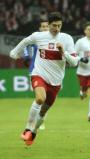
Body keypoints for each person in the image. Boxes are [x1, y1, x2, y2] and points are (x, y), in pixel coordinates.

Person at [10, 12, 80, 146]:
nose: (57, 28)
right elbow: (25, 41)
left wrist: (63, 52)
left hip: (56, 81)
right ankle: (28, 127)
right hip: (39, 74)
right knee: (40, 99)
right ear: (48, 25)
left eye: (59, 25)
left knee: (43, 112)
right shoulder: (39, 36)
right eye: (54, 25)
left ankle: (34, 131)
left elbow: (74, 62)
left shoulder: (67, 39)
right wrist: (15, 52)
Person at [23, 19, 49, 130]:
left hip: (49, 72)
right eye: (43, 26)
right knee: (40, 98)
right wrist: (26, 56)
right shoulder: (35, 38)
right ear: (39, 28)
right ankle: (32, 122)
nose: (45, 28)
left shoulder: (52, 39)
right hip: (35, 71)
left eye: (46, 26)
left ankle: (40, 120)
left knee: (46, 99)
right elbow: (25, 45)